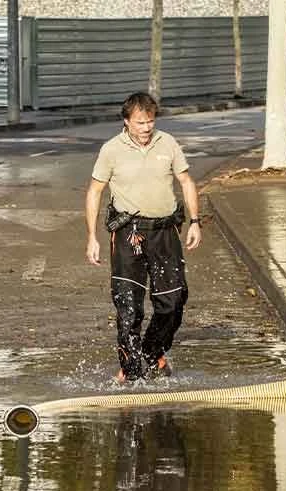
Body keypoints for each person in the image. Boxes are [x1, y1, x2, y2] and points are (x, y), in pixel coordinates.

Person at [85, 92, 203, 382]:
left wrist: (195, 222)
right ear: (127, 121)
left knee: (173, 302)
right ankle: (130, 372)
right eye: (140, 123)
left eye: (150, 121)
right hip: (129, 233)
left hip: (165, 231)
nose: (146, 128)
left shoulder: (168, 143)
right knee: (128, 306)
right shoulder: (111, 150)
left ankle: (151, 353)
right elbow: (95, 191)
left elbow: (186, 181)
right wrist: (92, 237)